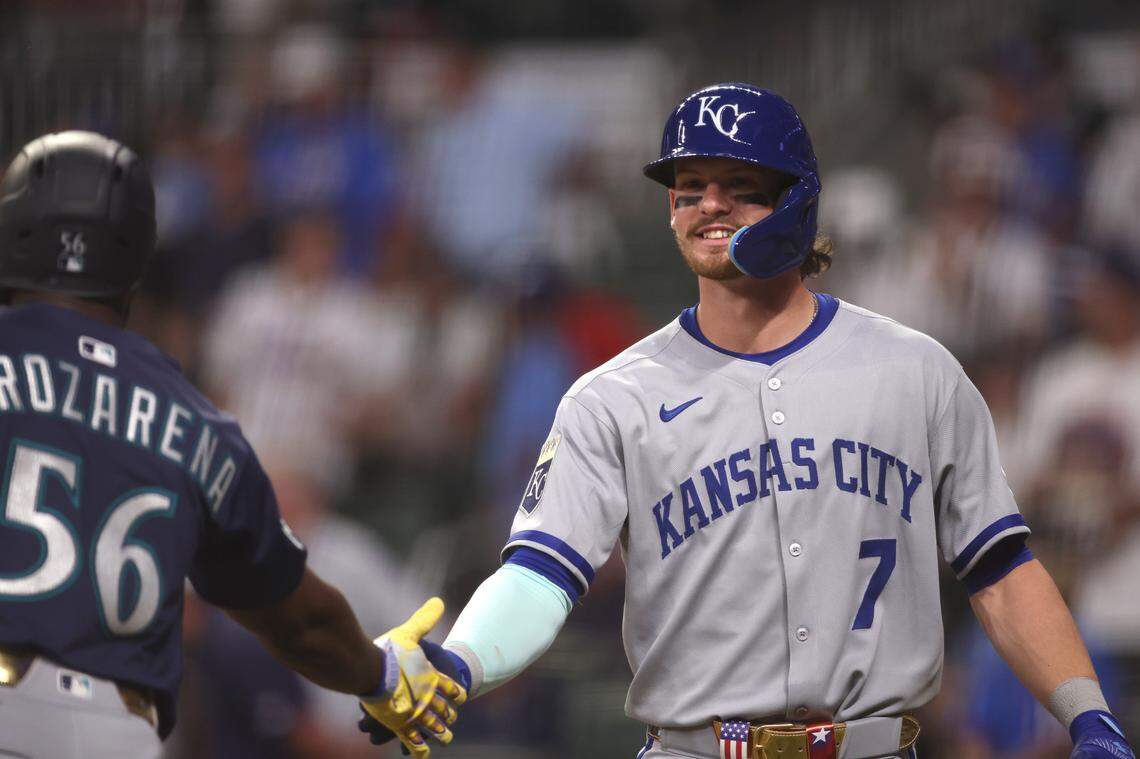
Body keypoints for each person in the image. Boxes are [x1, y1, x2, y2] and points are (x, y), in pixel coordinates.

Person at [360, 84, 1137, 758]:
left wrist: (1090, 716)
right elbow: (540, 575)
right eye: (689, 185)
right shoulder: (612, 396)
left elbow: (1001, 570)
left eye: (738, 184)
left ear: (797, 197)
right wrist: (458, 661)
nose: (709, 204)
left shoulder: (917, 371)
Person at [0, 131, 463, 758]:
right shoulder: (195, 419)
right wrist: (383, 675)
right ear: (137, 250)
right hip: (118, 735)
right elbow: (299, 620)